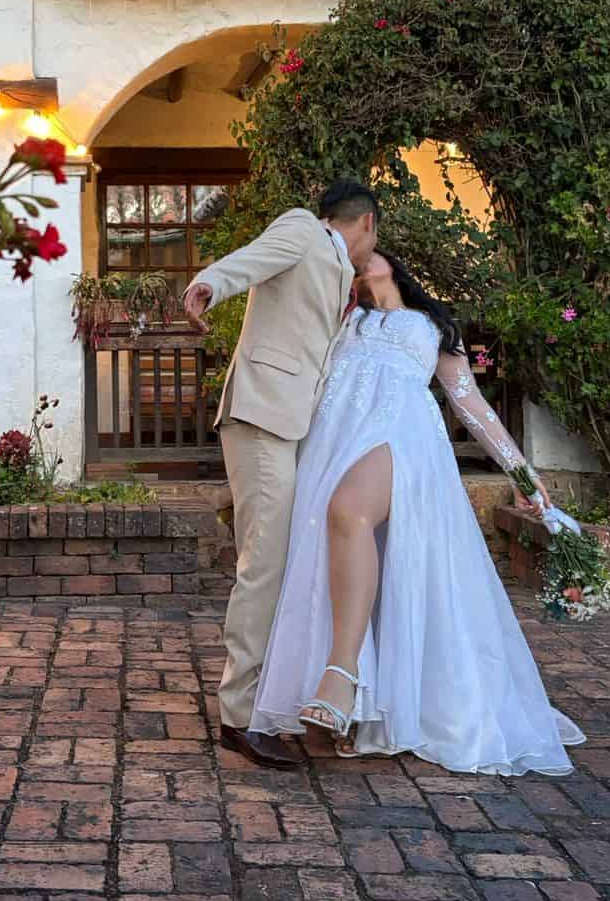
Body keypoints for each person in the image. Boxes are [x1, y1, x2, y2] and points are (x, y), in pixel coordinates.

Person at [251, 250, 584, 776]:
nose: (360, 260)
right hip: (335, 440)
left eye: (368, 252)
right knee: (340, 547)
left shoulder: (432, 326)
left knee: (349, 512)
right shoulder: (343, 316)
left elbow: (469, 402)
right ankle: (358, 713)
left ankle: (342, 674)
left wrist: (520, 471)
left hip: (401, 435)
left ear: (395, 262)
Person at [183, 178, 379, 768]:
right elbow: (249, 261)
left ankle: (266, 698)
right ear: (365, 222)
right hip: (262, 415)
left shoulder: (341, 271)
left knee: (280, 561)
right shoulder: (303, 229)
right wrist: (208, 284)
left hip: (291, 423)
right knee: (263, 563)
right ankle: (239, 717)